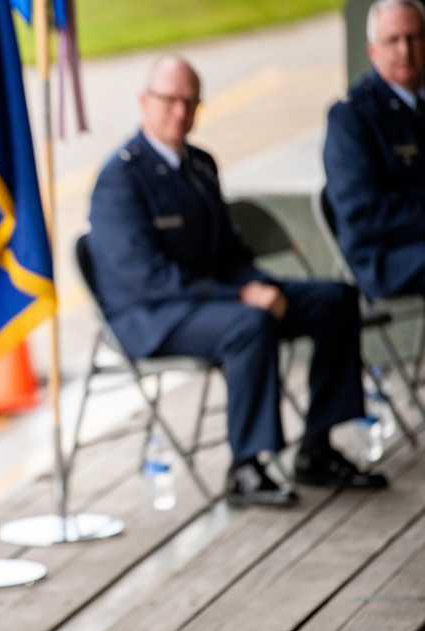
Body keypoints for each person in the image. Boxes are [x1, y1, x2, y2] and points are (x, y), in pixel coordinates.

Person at [86, 55, 387, 508]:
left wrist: (261, 285)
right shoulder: (120, 179)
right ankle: (247, 466)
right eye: (169, 100)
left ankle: (318, 448)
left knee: (336, 299)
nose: (180, 112)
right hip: (151, 315)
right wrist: (243, 295)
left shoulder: (201, 165)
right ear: (144, 102)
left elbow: (231, 252)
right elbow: (149, 278)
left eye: (190, 102)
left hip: (215, 301)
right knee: (250, 324)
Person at [323, 0, 425, 299]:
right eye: (392, 40)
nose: (405, 51)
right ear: (372, 50)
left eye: (414, 37)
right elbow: (363, 214)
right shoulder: (351, 117)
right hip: (385, 256)